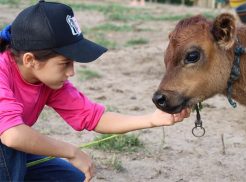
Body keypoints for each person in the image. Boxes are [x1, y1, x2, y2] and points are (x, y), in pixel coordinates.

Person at [0, 1, 190, 182]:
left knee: (72, 177)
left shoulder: (49, 82)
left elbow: (93, 117)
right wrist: (71, 151)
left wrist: (151, 119)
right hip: (7, 148)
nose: (71, 72)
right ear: (29, 60)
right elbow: (13, 135)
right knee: (11, 151)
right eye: (65, 63)